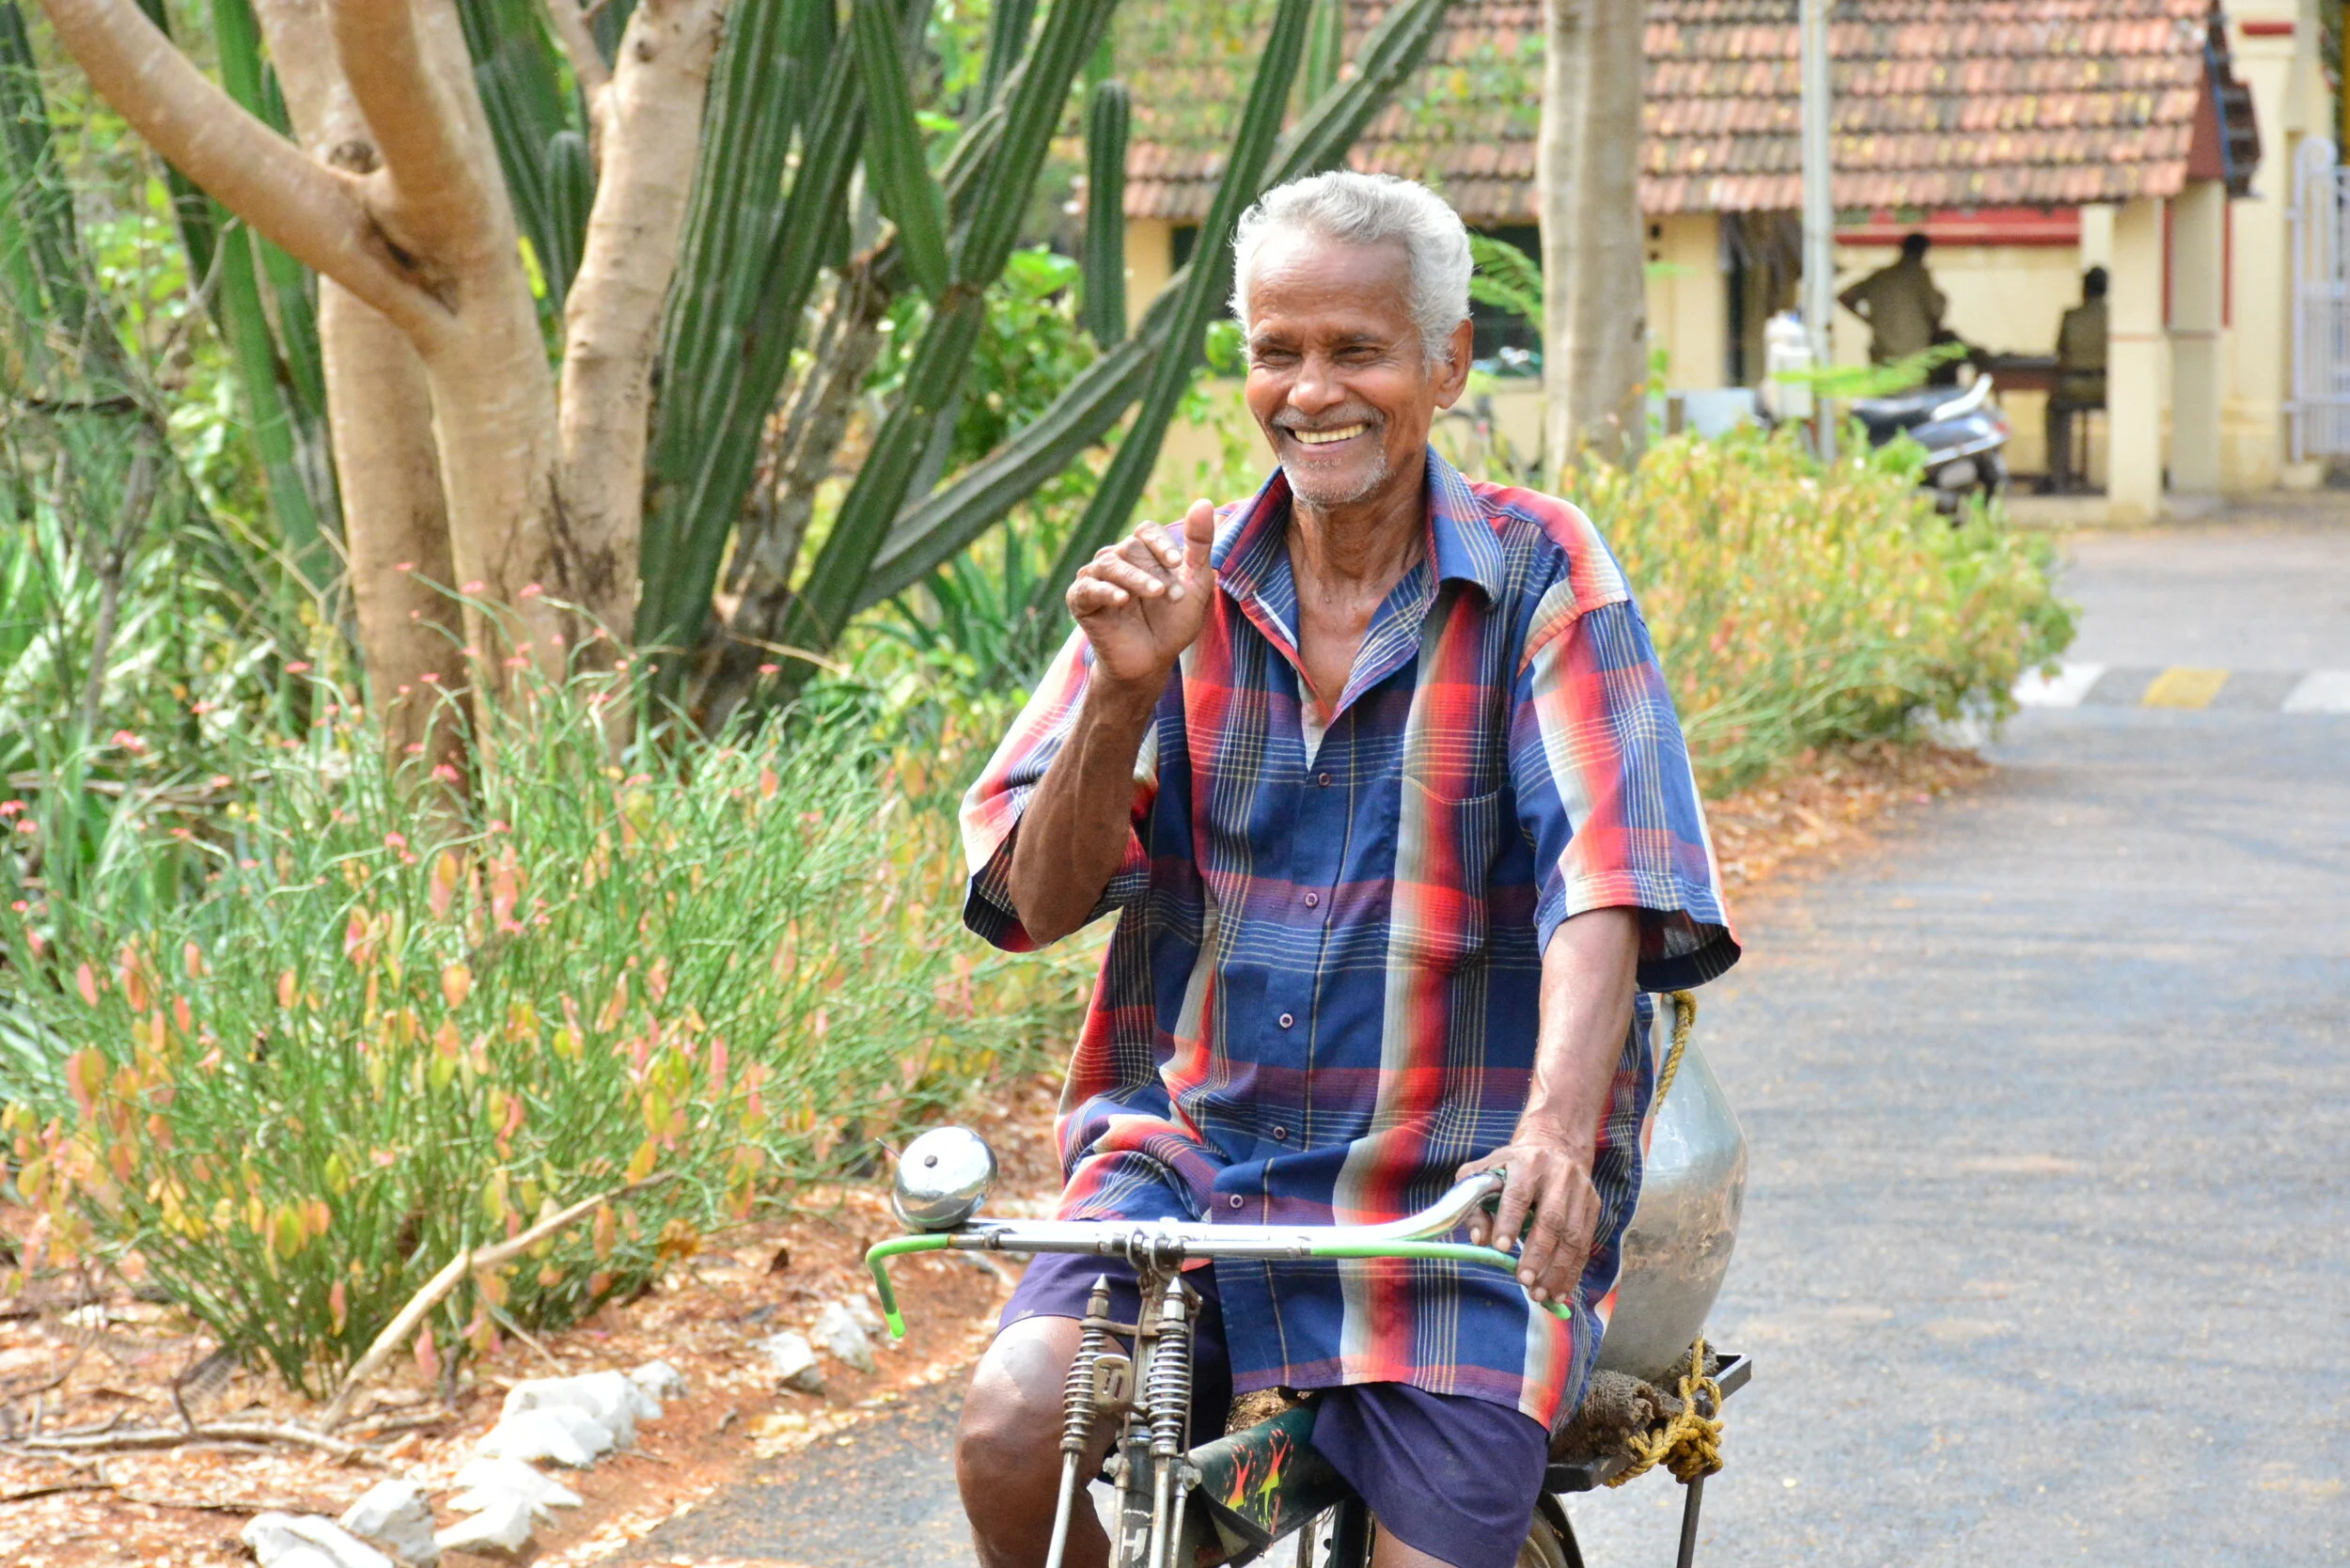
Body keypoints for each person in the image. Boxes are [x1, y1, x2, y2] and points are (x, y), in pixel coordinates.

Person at [949, 171, 1739, 1568]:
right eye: (1278, 351)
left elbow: (1606, 875)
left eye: (1356, 350)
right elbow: (1032, 900)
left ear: (1445, 362)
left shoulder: (1538, 568)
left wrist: (1555, 1138)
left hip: (1456, 1193)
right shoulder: (1177, 585)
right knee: (1018, 1436)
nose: (1312, 392)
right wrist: (1122, 699)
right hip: (1191, 1167)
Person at [1838, 230, 1947, 364]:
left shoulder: (1881, 277)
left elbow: (1845, 297)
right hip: (1913, 351)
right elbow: (1935, 310)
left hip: (1883, 350)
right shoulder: (1919, 276)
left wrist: (1869, 320)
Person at [2044, 267, 2108, 493]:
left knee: (2054, 410)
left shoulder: (2071, 317)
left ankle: (2057, 473)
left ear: (2084, 290)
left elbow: (2061, 353)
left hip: (2075, 386)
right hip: (2106, 387)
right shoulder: (2114, 318)